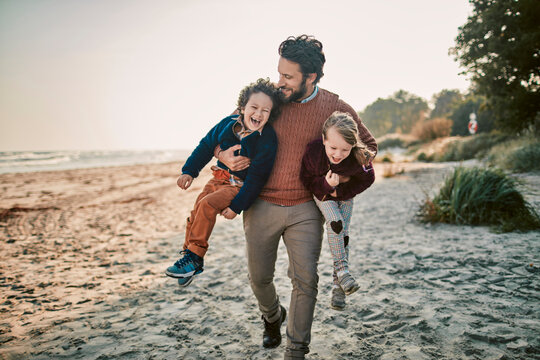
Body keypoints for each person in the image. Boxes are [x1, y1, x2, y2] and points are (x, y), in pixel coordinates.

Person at [217, 35, 377, 359]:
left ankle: (296, 350)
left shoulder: (335, 106)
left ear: (311, 77)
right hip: (261, 202)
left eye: (288, 77)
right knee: (259, 279)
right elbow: (222, 133)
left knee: (306, 281)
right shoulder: (269, 101)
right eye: (279, 73)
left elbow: (368, 147)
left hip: (306, 206)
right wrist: (224, 156)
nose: (280, 83)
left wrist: (340, 177)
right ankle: (273, 316)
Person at [165, 78, 281, 287]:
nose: (259, 114)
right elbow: (205, 145)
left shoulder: (267, 138)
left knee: (207, 205)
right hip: (217, 178)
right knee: (196, 213)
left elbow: (258, 177)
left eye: (266, 110)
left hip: (238, 186)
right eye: (254, 107)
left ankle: (195, 257)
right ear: (242, 107)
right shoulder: (226, 125)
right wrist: (189, 171)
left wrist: (237, 207)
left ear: (271, 114)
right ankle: (188, 260)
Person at [300, 111, 375, 311]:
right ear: (324, 139)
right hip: (322, 193)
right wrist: (326, 185)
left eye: (345, 149)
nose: (338, 154)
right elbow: (306, 179)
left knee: (344, 235)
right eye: (333, 147)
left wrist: (341, 191)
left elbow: (368, 179)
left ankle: (338, 288)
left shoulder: (358, 156)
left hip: (345, 196)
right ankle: (342, 271)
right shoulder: (314, 152)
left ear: (353, 145)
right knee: (335, 222)